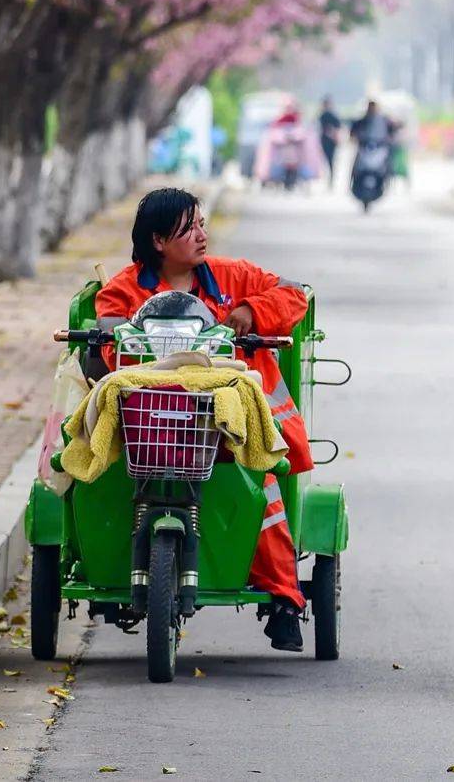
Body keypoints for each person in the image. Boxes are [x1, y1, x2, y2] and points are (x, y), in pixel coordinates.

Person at [94, 187, 312, 651]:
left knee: (264, 497)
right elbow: (108, 331)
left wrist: (253, 310)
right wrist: (110, 336)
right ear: (157, 240)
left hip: (227, 429)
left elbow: (294, 294)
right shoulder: (125, 288)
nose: (201, 234)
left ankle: (284, 598)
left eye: (202, 224)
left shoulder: (235, 276)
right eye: (189, 227)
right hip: (145, 429)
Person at [318, 97, 343, 187]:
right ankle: (328, 178)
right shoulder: (323, 115)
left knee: (330, 160)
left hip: (331, 140)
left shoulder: (331, 115)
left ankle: (331, 178)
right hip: (325, 140)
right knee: (327, 160)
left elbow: (338, 126)